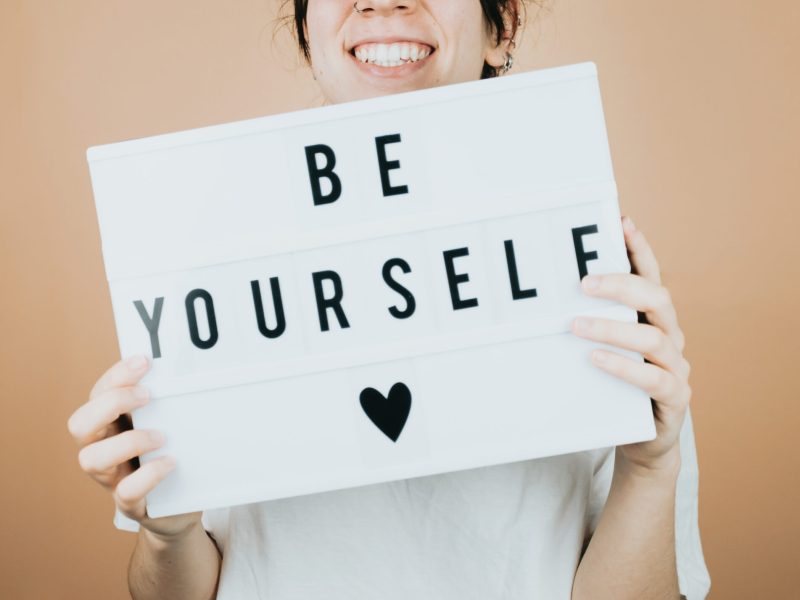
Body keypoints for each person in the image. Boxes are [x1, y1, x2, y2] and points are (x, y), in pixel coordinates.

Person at [66, 1, 712, 598]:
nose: (382, 0)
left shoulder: (578, 258)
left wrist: (651, 467)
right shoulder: (208, 243)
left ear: (502, 25)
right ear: (306, 30)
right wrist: (167, 532)